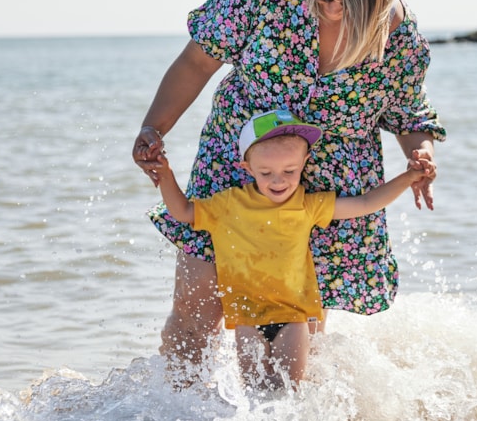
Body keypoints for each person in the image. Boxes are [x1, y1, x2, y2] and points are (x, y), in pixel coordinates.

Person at [132, 0, 446, 373]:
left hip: (325, 189)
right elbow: (198, 63)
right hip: (238, 166)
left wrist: (420, 152)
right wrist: (153, 128)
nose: (334, 9)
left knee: (291, 340)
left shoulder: (397, 37)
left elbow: (408, 115)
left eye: (351, 2)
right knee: (197, 311)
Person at [151, 109, 435, 388]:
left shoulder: (306, 204)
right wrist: (165, 174)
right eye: (266, 172)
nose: (279, 180)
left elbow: (365, 204)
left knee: (290, 393)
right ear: (246, 168)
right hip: (247, 319)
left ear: (305, 163)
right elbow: (184, 211)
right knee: (256, 396)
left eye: (290, 170)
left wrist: (407, 178)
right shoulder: (227, 205)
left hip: (294, 317)